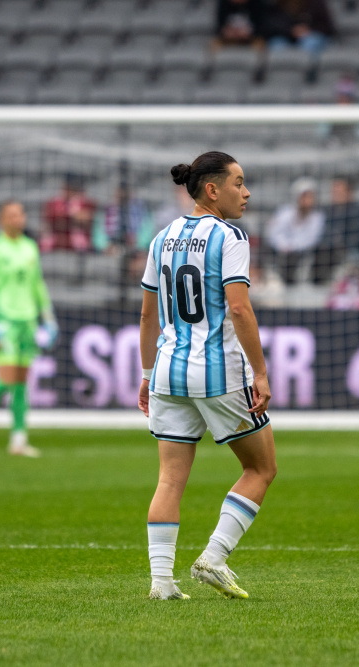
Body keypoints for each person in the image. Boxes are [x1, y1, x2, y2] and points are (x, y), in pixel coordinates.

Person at [138, 151, 276, 601]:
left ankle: (161, 583)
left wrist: (145, 373)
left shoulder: (162, 238)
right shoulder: (230, 236)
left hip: (167, 372)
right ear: (212, 190)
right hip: (215, 373)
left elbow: (147, 315)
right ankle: (214, 557)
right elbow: (238, 307)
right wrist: (259, 370)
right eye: (239, 182)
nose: (247, 191)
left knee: (169, 480)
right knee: (261, 467)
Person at [0, 201, 60, 458]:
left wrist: (48, 317)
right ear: (2, 219)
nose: (19, 219)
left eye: (21, 213)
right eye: (13, 215)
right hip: (2, 320)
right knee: (7, 379)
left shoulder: (30, 247)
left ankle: (18, 439)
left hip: (27, 321)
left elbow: (37, 285)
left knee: (20, 381)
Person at [311, 177, 359, 284]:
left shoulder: (358, 211)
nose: (336, 194)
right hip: (328, 249)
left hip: (349, 249)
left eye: (339, 191)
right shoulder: (326, 211)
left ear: (349, 193)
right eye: (334, 191)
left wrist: (342, 242)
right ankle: (318, 284)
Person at [267, 176, 325, 285]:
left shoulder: (317, 217)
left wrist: (293, 247)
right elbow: (274, 234)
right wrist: (284, 246)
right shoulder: (284, 213)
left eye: (310, 197)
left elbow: (312, 239)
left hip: (303, 251)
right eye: (304, 197)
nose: (307, 201)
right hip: (281, 250)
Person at [39, 173, 97, 253]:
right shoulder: (53, 202)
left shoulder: (86, 202)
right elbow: (55, 221)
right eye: (67, 187)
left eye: (72, 188)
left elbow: (86, 219)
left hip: (78, 249)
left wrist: (68, 213)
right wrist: (73, 216)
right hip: (55, 246)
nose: (69, 190)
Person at [264, 0, 336, 56]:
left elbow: (327, 26)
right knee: (276, 44)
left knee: (309, 42)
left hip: (311, 35)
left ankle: (306, 73)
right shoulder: (281, 3)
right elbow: (272, 24)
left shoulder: (316, 2)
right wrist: (291, 31)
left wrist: (308, 31)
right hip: (287, 36)